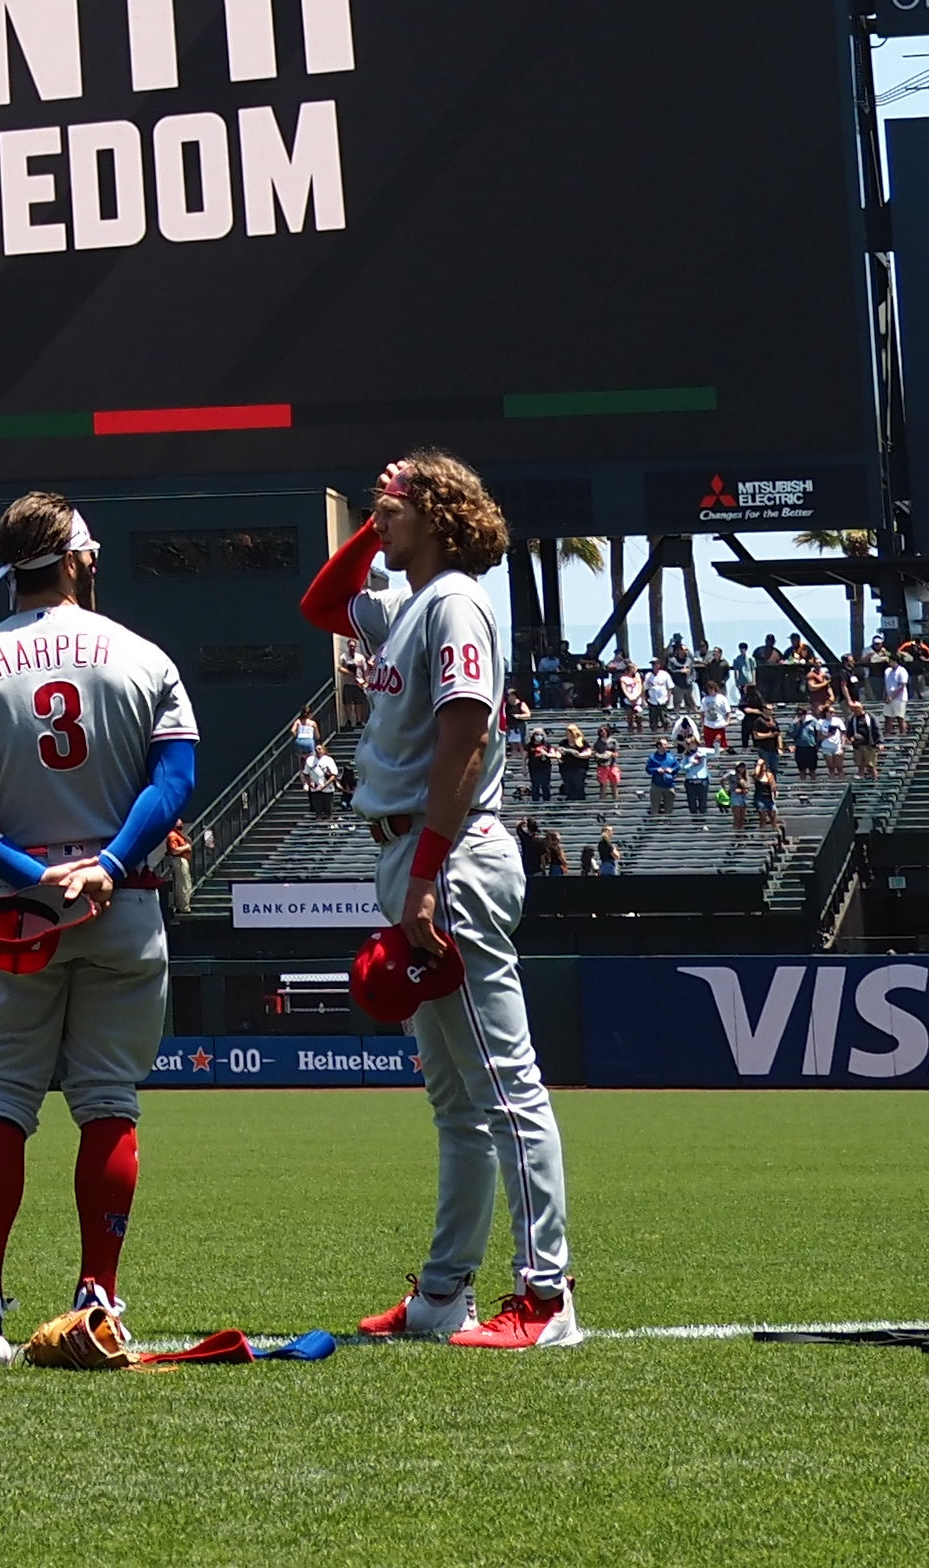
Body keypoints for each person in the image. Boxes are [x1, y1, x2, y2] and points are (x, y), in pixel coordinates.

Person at [0, 488, 198, 1351]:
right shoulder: (144, 658)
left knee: (0, 1096)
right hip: (124, 904)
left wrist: (32, 873)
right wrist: (108, 865)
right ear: (76, 557)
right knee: (109, 1102)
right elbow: (174, 782)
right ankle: (99, 1297)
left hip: (20, 916)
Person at [306, 453, 575, 1349]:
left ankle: (546, 1298)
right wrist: (378, 521)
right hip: (417, 859)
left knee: (507, 1090)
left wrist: (425, 870)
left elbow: (466, 734)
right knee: (455, 1103)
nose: (379, 515)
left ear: (441, 514)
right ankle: (441, 1297)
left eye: (395, 503)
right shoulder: (409, 602)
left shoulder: (456, 599)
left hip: (448, 857)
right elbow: (318, 605)